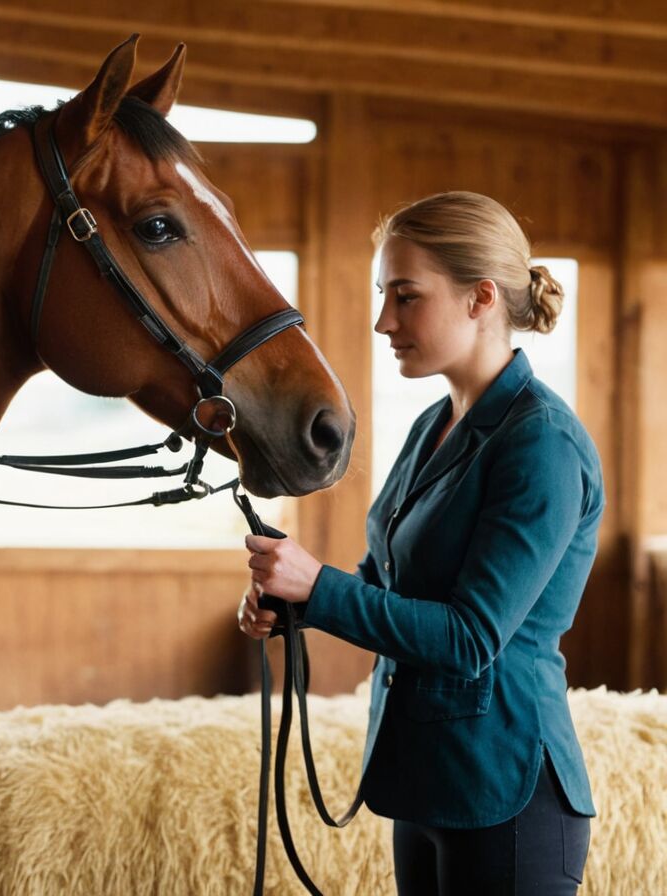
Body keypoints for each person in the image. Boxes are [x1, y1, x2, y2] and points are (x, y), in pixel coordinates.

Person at [238, 191, 601, 895]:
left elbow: (470, 639)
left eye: (405, 297)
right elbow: (384, 583)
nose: (384, 321)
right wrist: (291, 604)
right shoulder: (434, 423)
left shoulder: (542, 444)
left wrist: (318, 587)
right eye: (384, 295)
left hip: (511, 791)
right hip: (430, 778)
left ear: (481, 299)